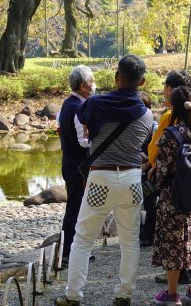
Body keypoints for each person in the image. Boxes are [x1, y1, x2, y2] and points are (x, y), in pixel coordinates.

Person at [55, 55, 153, 306]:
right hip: (131, 179)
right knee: (130, 240)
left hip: (100, 178)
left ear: (116, 77)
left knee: (83, 238)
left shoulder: (96, 104)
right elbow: (143, 145)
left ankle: (73, 295)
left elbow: (84, 122)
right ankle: (124, 294)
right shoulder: (146, 115)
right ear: (141, 82)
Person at [152, 86, 191, 306]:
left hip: (173, 199)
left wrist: (155, 183)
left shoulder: (171, 135)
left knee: (173, 244)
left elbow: (163, 170)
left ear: (174, 107)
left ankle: (172, 294)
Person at [57, 66, 95, 265]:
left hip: (70, 162)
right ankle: (68, 252)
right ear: (83, 85)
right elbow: (83, 141)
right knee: (76, 207)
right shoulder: (78, 106)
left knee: (77, 207)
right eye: (92, 81)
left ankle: (72, 250)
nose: (94, 84)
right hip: (77, 164)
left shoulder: (67, 103)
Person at [139, 92, 159, 247]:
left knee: (150, 204)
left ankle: (149, 235)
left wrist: (146, 164)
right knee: (135, 205)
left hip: (150, 173)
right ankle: (140, 233)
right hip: (136, 172)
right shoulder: (132, 125)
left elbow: (159, 153)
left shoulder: (154, 127)